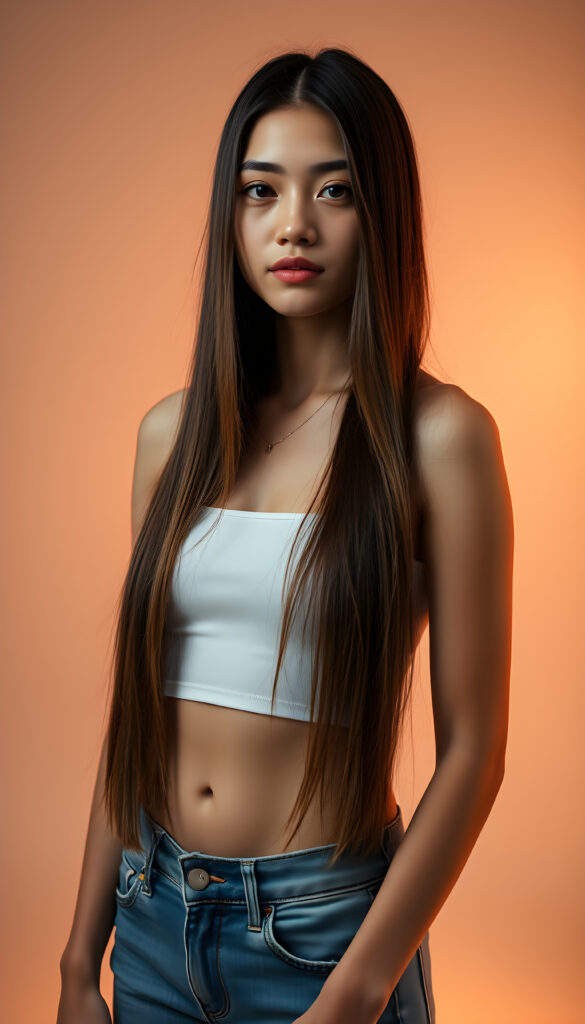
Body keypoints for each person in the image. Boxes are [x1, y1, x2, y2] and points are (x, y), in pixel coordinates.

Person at [57, 47, 513, 1024]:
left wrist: (358, 988)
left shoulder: (439, 438)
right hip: (150, 916)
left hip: (321, 937)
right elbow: (135, 721)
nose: (292, 224)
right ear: (231, 213)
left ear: (382, 212)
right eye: (261, 191)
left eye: (334, 190)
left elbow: (474, 751)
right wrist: (73, 961)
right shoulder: (170, 435)